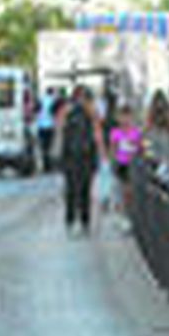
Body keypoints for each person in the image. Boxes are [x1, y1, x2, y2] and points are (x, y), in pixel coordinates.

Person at [56, 85, 103, 234]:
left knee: (85, 191)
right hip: (70, 156)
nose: (81, 100)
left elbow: (97, 131)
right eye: (79, 97)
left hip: (86, 157)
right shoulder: (67, 111)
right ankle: (71, 220)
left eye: (84, 97)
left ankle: (84, 221)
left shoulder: (91, 112)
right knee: (71, 190)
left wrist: (100, 154)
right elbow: (59, 129)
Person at [35, 87, 59, 171]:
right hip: (50, 126)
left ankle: (45, 165)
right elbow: (55, 113)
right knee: (49, 146)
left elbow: (36, 110)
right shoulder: (54, 100)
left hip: (40, 126)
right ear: (52, 92)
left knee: (43, 146)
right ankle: (49, 165)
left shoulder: (40, 100)